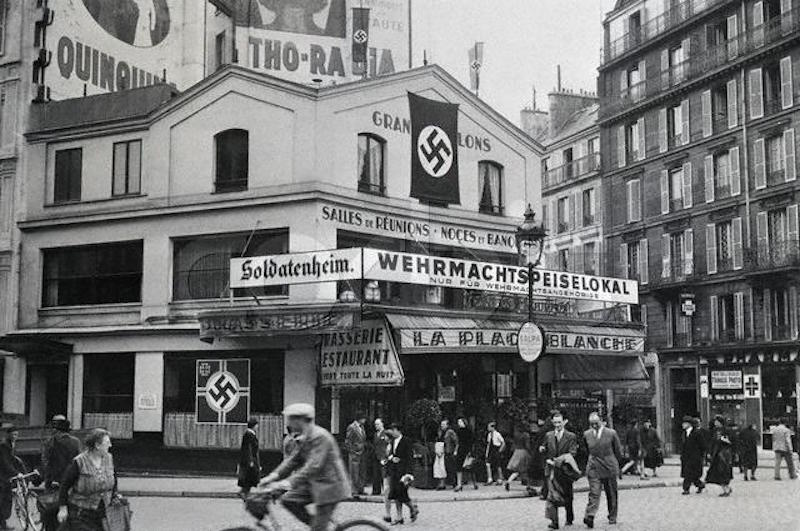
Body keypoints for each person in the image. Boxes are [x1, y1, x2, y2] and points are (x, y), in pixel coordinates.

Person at [260, 403, 350, 531]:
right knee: (288, 500)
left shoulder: (320, 437)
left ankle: (319, 527)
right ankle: (320, 526)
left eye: (290, 419)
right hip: (314, 483)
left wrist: (286, 483)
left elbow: (313, 466)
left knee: (318, 527)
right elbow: (292, 461)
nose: (288, 423)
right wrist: (272, 477)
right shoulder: (304, 436)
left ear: (300, 420)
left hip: (329, 486)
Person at [56, 428, 118, 531]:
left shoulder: (109, 458)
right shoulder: (79, 462)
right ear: (97, 446)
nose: (110, 445)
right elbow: (64, 486)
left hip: (103, 513)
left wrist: (114, 495)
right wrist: (63, 508)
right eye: (107, 442)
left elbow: (114, 478)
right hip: (81, 513)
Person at [582, 412, 622, 529]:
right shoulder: (587, 434)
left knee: (611, 493)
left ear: (601, 421)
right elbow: (586, 450)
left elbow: (618, 451)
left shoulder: (611, 433)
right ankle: (590, 515)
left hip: (609, 467)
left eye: (596, 423)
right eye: (591, 424)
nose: (594, 426)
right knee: (594, 492)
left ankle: (612, 516)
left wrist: (617, 466)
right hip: (594, 467)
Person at [41, 415, 81, 531]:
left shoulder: (50, 442)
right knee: (69, 514)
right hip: (72, 483)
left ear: (55, 430)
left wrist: (46, 479)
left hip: (54, 483)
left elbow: (45, 462)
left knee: (50, 515)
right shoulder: (76, 442)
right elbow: (79, 461)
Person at [542, 413, 578, 529]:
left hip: (565, 470)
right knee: (552, 496)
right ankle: (554, 521)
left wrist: (559, 461)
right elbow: (545, 448)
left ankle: (569, 517)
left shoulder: (571, 436)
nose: (557, 425)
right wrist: (542, 449)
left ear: (564, 422)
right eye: (555, 422)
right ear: (552, 423)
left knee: (567, 495)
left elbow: (572, 453)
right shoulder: (548, 435)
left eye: (559, 422)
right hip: (551, 470)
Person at [384, 423, 419, 525]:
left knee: (401, 493)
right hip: (394, 471)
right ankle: (400, 516)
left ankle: (412, 507)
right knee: (395, 494)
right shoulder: (393, 441)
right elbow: (389, 454)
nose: (392, 432)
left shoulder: (406, 441)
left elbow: (409, 458)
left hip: (403, 472)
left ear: (398, 431)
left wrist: (408, 473)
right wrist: (392, 458)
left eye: (394, 430)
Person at [705, 415, 733, 496]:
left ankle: (726, 490)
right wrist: (709, 453)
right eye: (715, 421)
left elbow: (732, 441)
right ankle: (726, 488)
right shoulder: (714, 431)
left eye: (717, 421)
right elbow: (711, 442)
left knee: (722, 472)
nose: (715, 422)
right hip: (716, 454)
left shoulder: (726, 430)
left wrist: (725, 440)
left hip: (723, 455)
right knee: (717, 473)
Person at [0, 426, 21, 530]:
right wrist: (16, 473)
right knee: (3, 500)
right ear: (8, 434)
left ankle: (3, 525)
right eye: (13, 434)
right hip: (2, 477)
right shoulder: (4, 446)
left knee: (6, 500)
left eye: (17, 435)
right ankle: (3, 525)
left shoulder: (11, 445)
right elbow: (5, 463)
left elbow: (15, 460)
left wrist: (21, 471)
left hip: (6, 477)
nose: (15, 437)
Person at [680, 416, 706, 495]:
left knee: (688, 474)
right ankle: (700, 485)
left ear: (689, 424)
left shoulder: (697, 433)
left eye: (684, 423)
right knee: (692, 475)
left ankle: (686, 489)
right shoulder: (684, 433)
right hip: (686, 457)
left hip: (695, 457)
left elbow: (703, 445)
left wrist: (701, 456)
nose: (683, 425)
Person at [372, 418, 391, 522]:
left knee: (384, 474)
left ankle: (385, 491)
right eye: (375, 424)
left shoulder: (386, 433)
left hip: (383, 457)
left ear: (382, 424)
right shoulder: (375, 434)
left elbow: (388, 445)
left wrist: (386, 456)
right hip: (376, 456)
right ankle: (376, 490)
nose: (376, 426)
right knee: (376, 474)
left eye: (378, 424)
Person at [345, 412, 367, 497]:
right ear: (360, 419)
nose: (364, 421)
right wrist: (352, 451)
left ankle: (360, 489)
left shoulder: (362, 427)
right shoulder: (351, 427)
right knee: (354, 472)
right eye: (363, 419)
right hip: (355, 453)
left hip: (362, 452)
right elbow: (348, 441)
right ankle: (354, 490)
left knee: (361, 471)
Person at [238, 417, 261, 497]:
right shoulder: (249, 435)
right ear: (253, 426)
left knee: (250, 478)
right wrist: (250, 461)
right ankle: (244, 493)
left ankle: (244, 492)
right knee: (249, 478)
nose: (257, 427)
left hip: (251, 460)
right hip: (250, 461)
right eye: (257, 425)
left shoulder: (250, 434)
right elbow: (248, 448)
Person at [504, 426, 531, 491]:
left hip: (517, 452)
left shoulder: (516, 435)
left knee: (518, 470)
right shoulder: (526, 435)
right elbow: (527, 445)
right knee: (525, 470)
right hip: (523, 452)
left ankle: (509, 481)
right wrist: (530, 452)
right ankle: (528, 485)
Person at [454, 417, 475, 492]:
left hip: (466, 449)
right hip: (461, 449)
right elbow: (458, 442)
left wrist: (470, 451)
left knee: (468, 467)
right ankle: (459, 483)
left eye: (460, 422)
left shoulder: (468, 431)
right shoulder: (458, 431)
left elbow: (471, 441)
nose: (458, 423)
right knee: (459, 466)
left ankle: (471, 482)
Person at [438, 419, 458, 488]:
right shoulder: (441, 432)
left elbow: (456, 441)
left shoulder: (450, 432)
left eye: (443, 424)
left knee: (451, 468)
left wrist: (455, 450)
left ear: (447, 425)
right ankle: (448, 483)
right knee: (445, 468)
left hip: (450, 451)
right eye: (441, 425)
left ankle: (455, 483)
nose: (442, 426)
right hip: (444, 452)